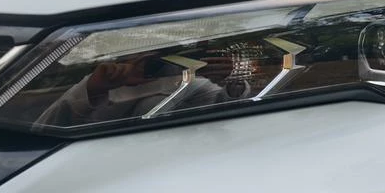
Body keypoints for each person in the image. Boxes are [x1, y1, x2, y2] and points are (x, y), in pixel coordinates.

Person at [35, 54, 250, 128]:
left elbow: (227, 108)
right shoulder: (100, 84)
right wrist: (94, 88)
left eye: (156, 57)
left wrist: (232, 80)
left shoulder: (187, 83)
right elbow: (46, 127)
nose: (146, 63)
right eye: (138, 54)